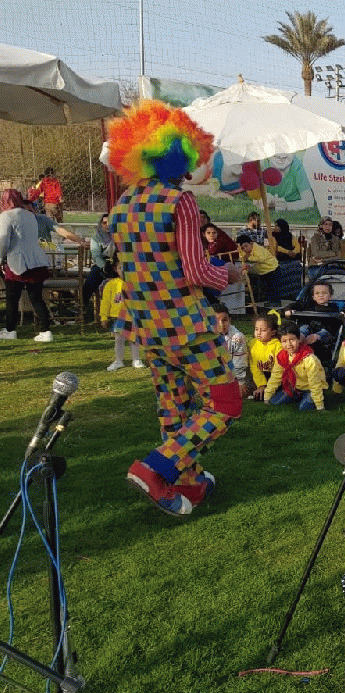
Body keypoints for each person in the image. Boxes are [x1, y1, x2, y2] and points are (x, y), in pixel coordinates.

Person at [107, 100, 242, 516]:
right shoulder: (178, 202)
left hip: (146, 326)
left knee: (174, 405)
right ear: (181, 155)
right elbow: (196, 270)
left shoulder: (121, 206)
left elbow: (132, 266)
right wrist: (230, 273)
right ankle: (154, 469)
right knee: (224, 403)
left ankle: (188, 482)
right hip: (187, 324)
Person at [0, 189, 54, 342]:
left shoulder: (6, 216)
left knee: (12, 299)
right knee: (36, 297)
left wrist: (0, 258)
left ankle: (10, 330)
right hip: (36, 260)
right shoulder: (30, 215)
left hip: (17, 262)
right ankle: (45, 331)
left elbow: (3, 241)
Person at [283, 280, 342, 379]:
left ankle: (312, 338)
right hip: (308, 327)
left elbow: (335, 324)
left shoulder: (333, 308)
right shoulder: (308, 305)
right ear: (313, 296)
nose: (320, 295)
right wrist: (288, 310)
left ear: (330, 296)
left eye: (324, 293)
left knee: (323, 332)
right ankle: (299, 339)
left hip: (323, 332)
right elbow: (294, 305)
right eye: (317, 293)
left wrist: (343, 313)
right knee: (303, 329)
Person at [263, 322, 326, 411]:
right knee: (274, 402)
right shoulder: (282, 357)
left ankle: (313, 398)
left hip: (311, 388)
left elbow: (315, 383)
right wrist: (267, 396)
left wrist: (320, 406)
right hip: (295, 387)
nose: (289, 344)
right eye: (284, 341)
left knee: (303, 409)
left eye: (292, 340)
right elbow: (275, 377)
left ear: (299, 339)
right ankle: (298, 397)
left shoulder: (309, 358)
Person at [100, 254, 144, 370]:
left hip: (132, 316)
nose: (123, 271)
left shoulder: (136, 283)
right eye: (120, 268)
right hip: (117, 317)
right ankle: (118, 361)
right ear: (115, 269)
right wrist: (104, 317)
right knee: (118, 340)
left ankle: (136, 359)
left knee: (133, 339)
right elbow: (105, 302)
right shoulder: (111, 284)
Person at [82, 213, 115, 321]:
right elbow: (96, 256)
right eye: (104, 223)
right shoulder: (96, 237)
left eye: (110, 222)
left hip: (117, 262)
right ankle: (84, 306)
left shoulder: (119, 235)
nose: (107, 225)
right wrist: (104, 266)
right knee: (92, 278)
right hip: (102, 263)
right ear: (101, 224)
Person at [214, 303, 249, 397]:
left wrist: (240, 382)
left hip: (234, 375)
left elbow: (240, 362)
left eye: (224, 320)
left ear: (230, 320)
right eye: (217, 321)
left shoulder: (237, 337)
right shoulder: (208, 336)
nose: (221, 324)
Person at [236, 233, 279, 303]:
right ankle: (264, 299)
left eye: (246, 246)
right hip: (262, 271)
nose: (245, 249)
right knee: (264, 287)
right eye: (243, 248)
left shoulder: (258, 249)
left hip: (272, 268)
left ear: (251, 243)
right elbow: (241, 257)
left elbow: (260, 259)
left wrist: (248, 258)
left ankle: (275, 302)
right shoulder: (245, 251)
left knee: (273, 287)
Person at [249, 312, 282, 401]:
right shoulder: (252, 344)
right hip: (260, 377)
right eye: (256, 329)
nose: (258, 333)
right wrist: (261, 385)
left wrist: (269, 388)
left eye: (263, 330)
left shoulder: (278, 346)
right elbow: (254, 367)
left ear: (273, 332)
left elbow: (279, 370)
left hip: (276, 378)